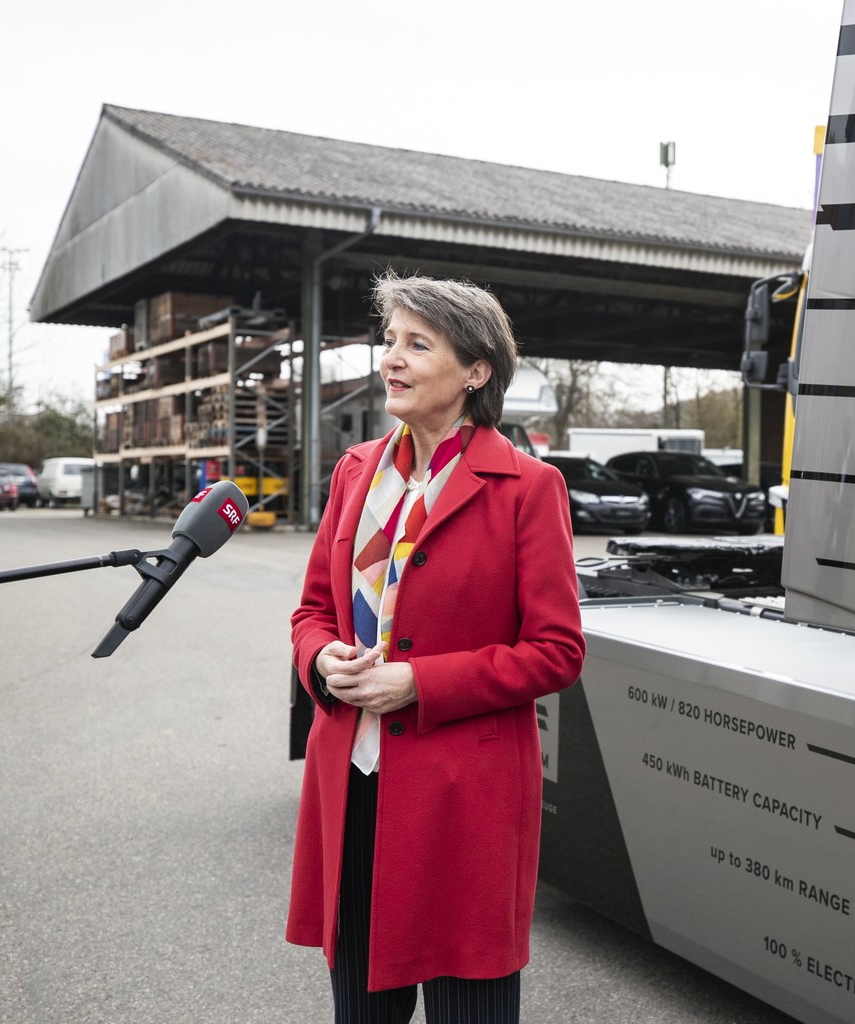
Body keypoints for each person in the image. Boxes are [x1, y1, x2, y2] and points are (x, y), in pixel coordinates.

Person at [287, 272, 585, 1024]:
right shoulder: (356, 474)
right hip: (352, 787)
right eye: (390, 341)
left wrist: (420, 682)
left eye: (418, 344)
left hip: (465, 806)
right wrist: (322, 659)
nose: (393, 358)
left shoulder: (527, 487)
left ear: (476, 371)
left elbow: (556, 650)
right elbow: (311, 613)